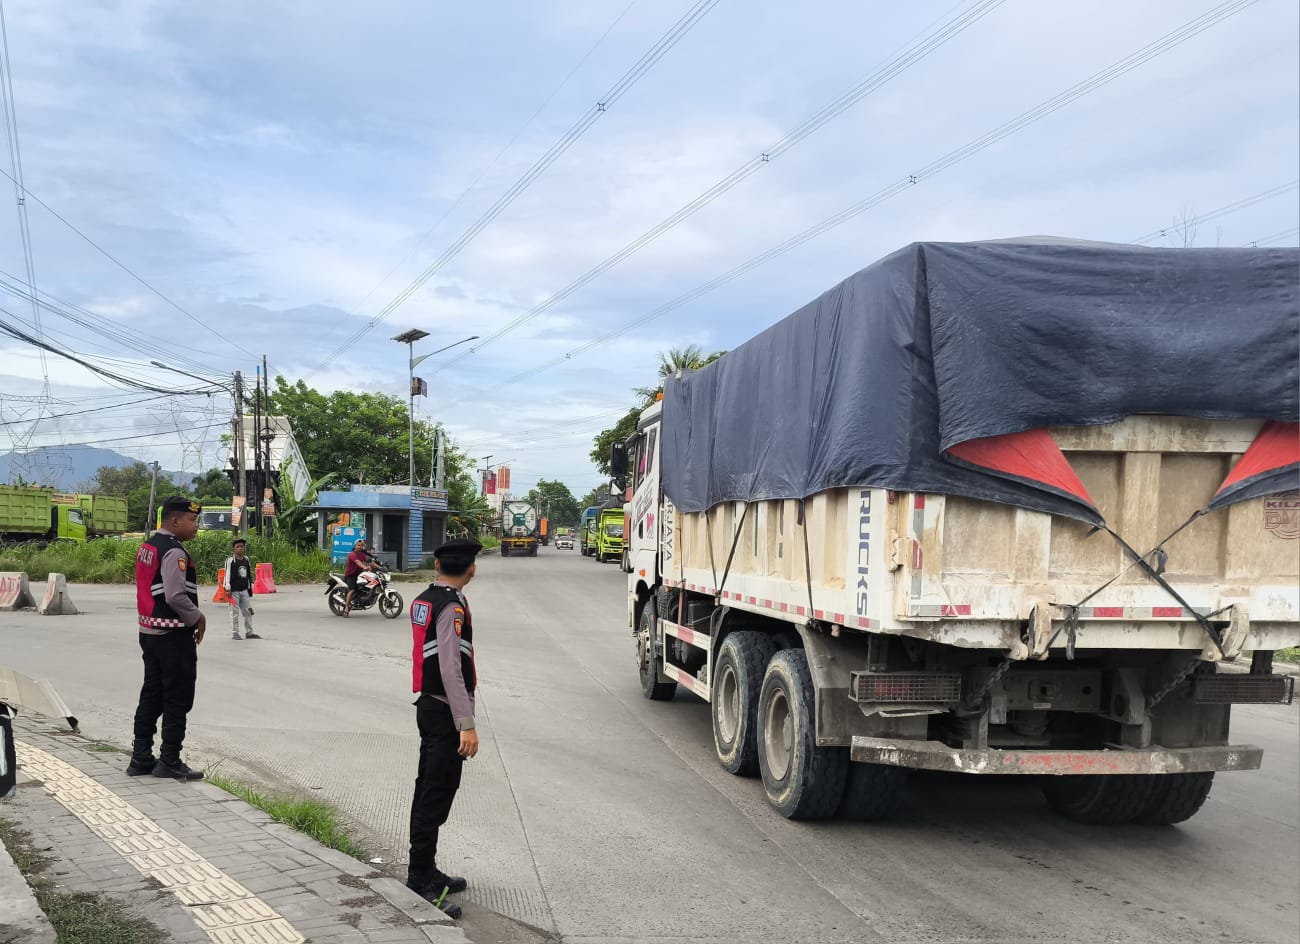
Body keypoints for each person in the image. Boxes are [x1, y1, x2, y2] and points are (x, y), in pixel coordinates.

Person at [406, 538, 483, 919]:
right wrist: (465, 723)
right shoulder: (452, 606)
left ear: (437, 566)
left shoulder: (424, 599)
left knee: (429, 788)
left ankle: (427, 868)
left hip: (429, 705)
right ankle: (419, 879)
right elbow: (451, 668)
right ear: (471, 569)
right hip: (444, 711)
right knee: (435, 793)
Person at [128, 496, 207, 781]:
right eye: (192, 520)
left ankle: (140, 758)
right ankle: (170, 760)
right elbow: (175, 596)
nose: (196, 526)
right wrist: (197, 617)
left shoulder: (148, 546)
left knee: (152, 694)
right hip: (172, 635)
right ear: (175, 521)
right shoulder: (174, 551)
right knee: (177, 698)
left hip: (149, 632)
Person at [223, 539, 260, 640]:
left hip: (244, 591)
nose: (240, 549)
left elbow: (248, 575)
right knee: (234, 612)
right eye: (238, 547)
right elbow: (227, 574)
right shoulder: (230, 560)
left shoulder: (246, 559)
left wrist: (249, 588)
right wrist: (227, 588)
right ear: (234, 549)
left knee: (248, 611)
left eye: (242, 547)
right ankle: (235, 633)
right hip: (233, 592)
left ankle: (249, 632)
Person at [343, 538, 377, 617]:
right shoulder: (352, 554)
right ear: (355, 546)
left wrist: (380, 567)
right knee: (352, 590)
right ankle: (346, 608)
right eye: (358, 545)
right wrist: (364, 567)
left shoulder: (362, 554)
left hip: (359, 575)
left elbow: (370, 562)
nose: (360, 547)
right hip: (351, 575)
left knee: (368, 583)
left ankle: (363, 598)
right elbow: (358, 562)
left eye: (361, 545)